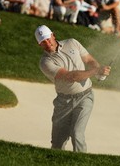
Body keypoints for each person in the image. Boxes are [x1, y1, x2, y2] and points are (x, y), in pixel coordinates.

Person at [35, 25, 111, 153]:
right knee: (57, 143)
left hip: (85, 96)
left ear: (53, 35)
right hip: (63, 102)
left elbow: (89, 59)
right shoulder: (45, 62)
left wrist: (99, 71)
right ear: (40, 45)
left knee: (77, 133)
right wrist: (96, 71)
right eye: (43, 42)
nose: (47, 43)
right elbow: (70, 77)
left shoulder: (72, 43)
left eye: (48, 38)